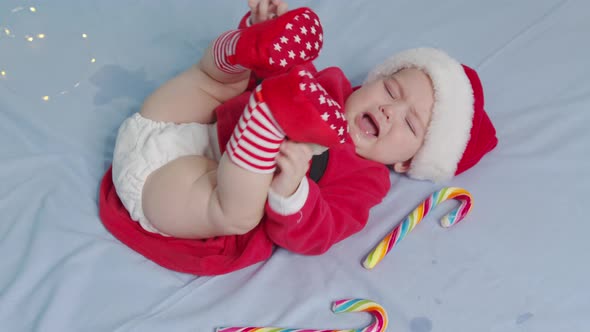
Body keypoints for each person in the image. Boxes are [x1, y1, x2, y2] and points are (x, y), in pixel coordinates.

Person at [98, 0, 498, 275]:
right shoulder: (324, 85)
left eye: (410, 125)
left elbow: (319, 233)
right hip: (165, 126)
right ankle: (243, 48)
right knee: (217, 82)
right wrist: (266, 33)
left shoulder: (366, 183)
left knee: (238, 212)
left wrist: (291, 191)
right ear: (371, 82)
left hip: (175, 191)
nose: (390, 111)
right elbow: (272, 77)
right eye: (391, 91)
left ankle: (265, 125)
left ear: (408, 162)